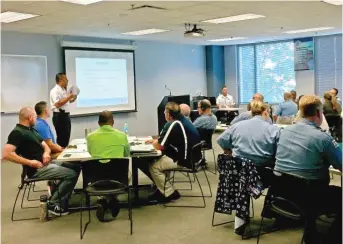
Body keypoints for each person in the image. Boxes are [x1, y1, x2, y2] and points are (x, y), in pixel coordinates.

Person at [274, 95, 342, 244]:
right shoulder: (323, 138)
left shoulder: (283, 132)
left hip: (282, 192)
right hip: (311, 194)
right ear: (319, 113)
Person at [2, 107, 78, 216]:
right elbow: (6, 154)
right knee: (71, 174)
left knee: (75, 166)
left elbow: (45, 146)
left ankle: (62, 195)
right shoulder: (17, 133)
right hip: (37, 169)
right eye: (35, 117)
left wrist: (46, 153)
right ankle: (54, 203)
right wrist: (30, 162)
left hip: (46, 163)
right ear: (29, 117)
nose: (36, 119)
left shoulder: (31, 130)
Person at [145, 102, 201, 203]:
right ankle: (162, 188)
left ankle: (170, 193)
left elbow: (159, 146)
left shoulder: (172, 123)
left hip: (184, 160)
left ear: (168, 114)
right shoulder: (184, 120)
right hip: (194, 157)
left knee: (153, 166)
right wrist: (156, 141)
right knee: (160, 159)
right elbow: (166, 139)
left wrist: (153, 143)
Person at [217, 101, 280, 185]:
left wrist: (228, 151)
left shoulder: (236, 126)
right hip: (263, 173)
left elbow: (221, 139)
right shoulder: (273, 130)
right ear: (265, 112)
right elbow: (280, 152)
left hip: (239, 171)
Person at [86, 110, 130, 221]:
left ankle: (103, 200)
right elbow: (127, 154)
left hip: (97, 178)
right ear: (113, 122)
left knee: (101, 175)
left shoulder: (90, 137)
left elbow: (90, 153)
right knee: (127, 173)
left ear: (98, 123)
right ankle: (112, 198)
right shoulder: (122, 136)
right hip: (119, 178)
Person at [50, 73, 77, 148]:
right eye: (66, 79)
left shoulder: (63, 90)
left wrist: (73, 97)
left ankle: (63, 152)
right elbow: (57, 104)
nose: (68, 81)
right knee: (62, 138)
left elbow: (66, 102)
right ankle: (60, 156)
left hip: (65, 116)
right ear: (60, 80)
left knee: (66, 137)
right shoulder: (55, 90)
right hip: (59, 116)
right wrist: (69, 96)